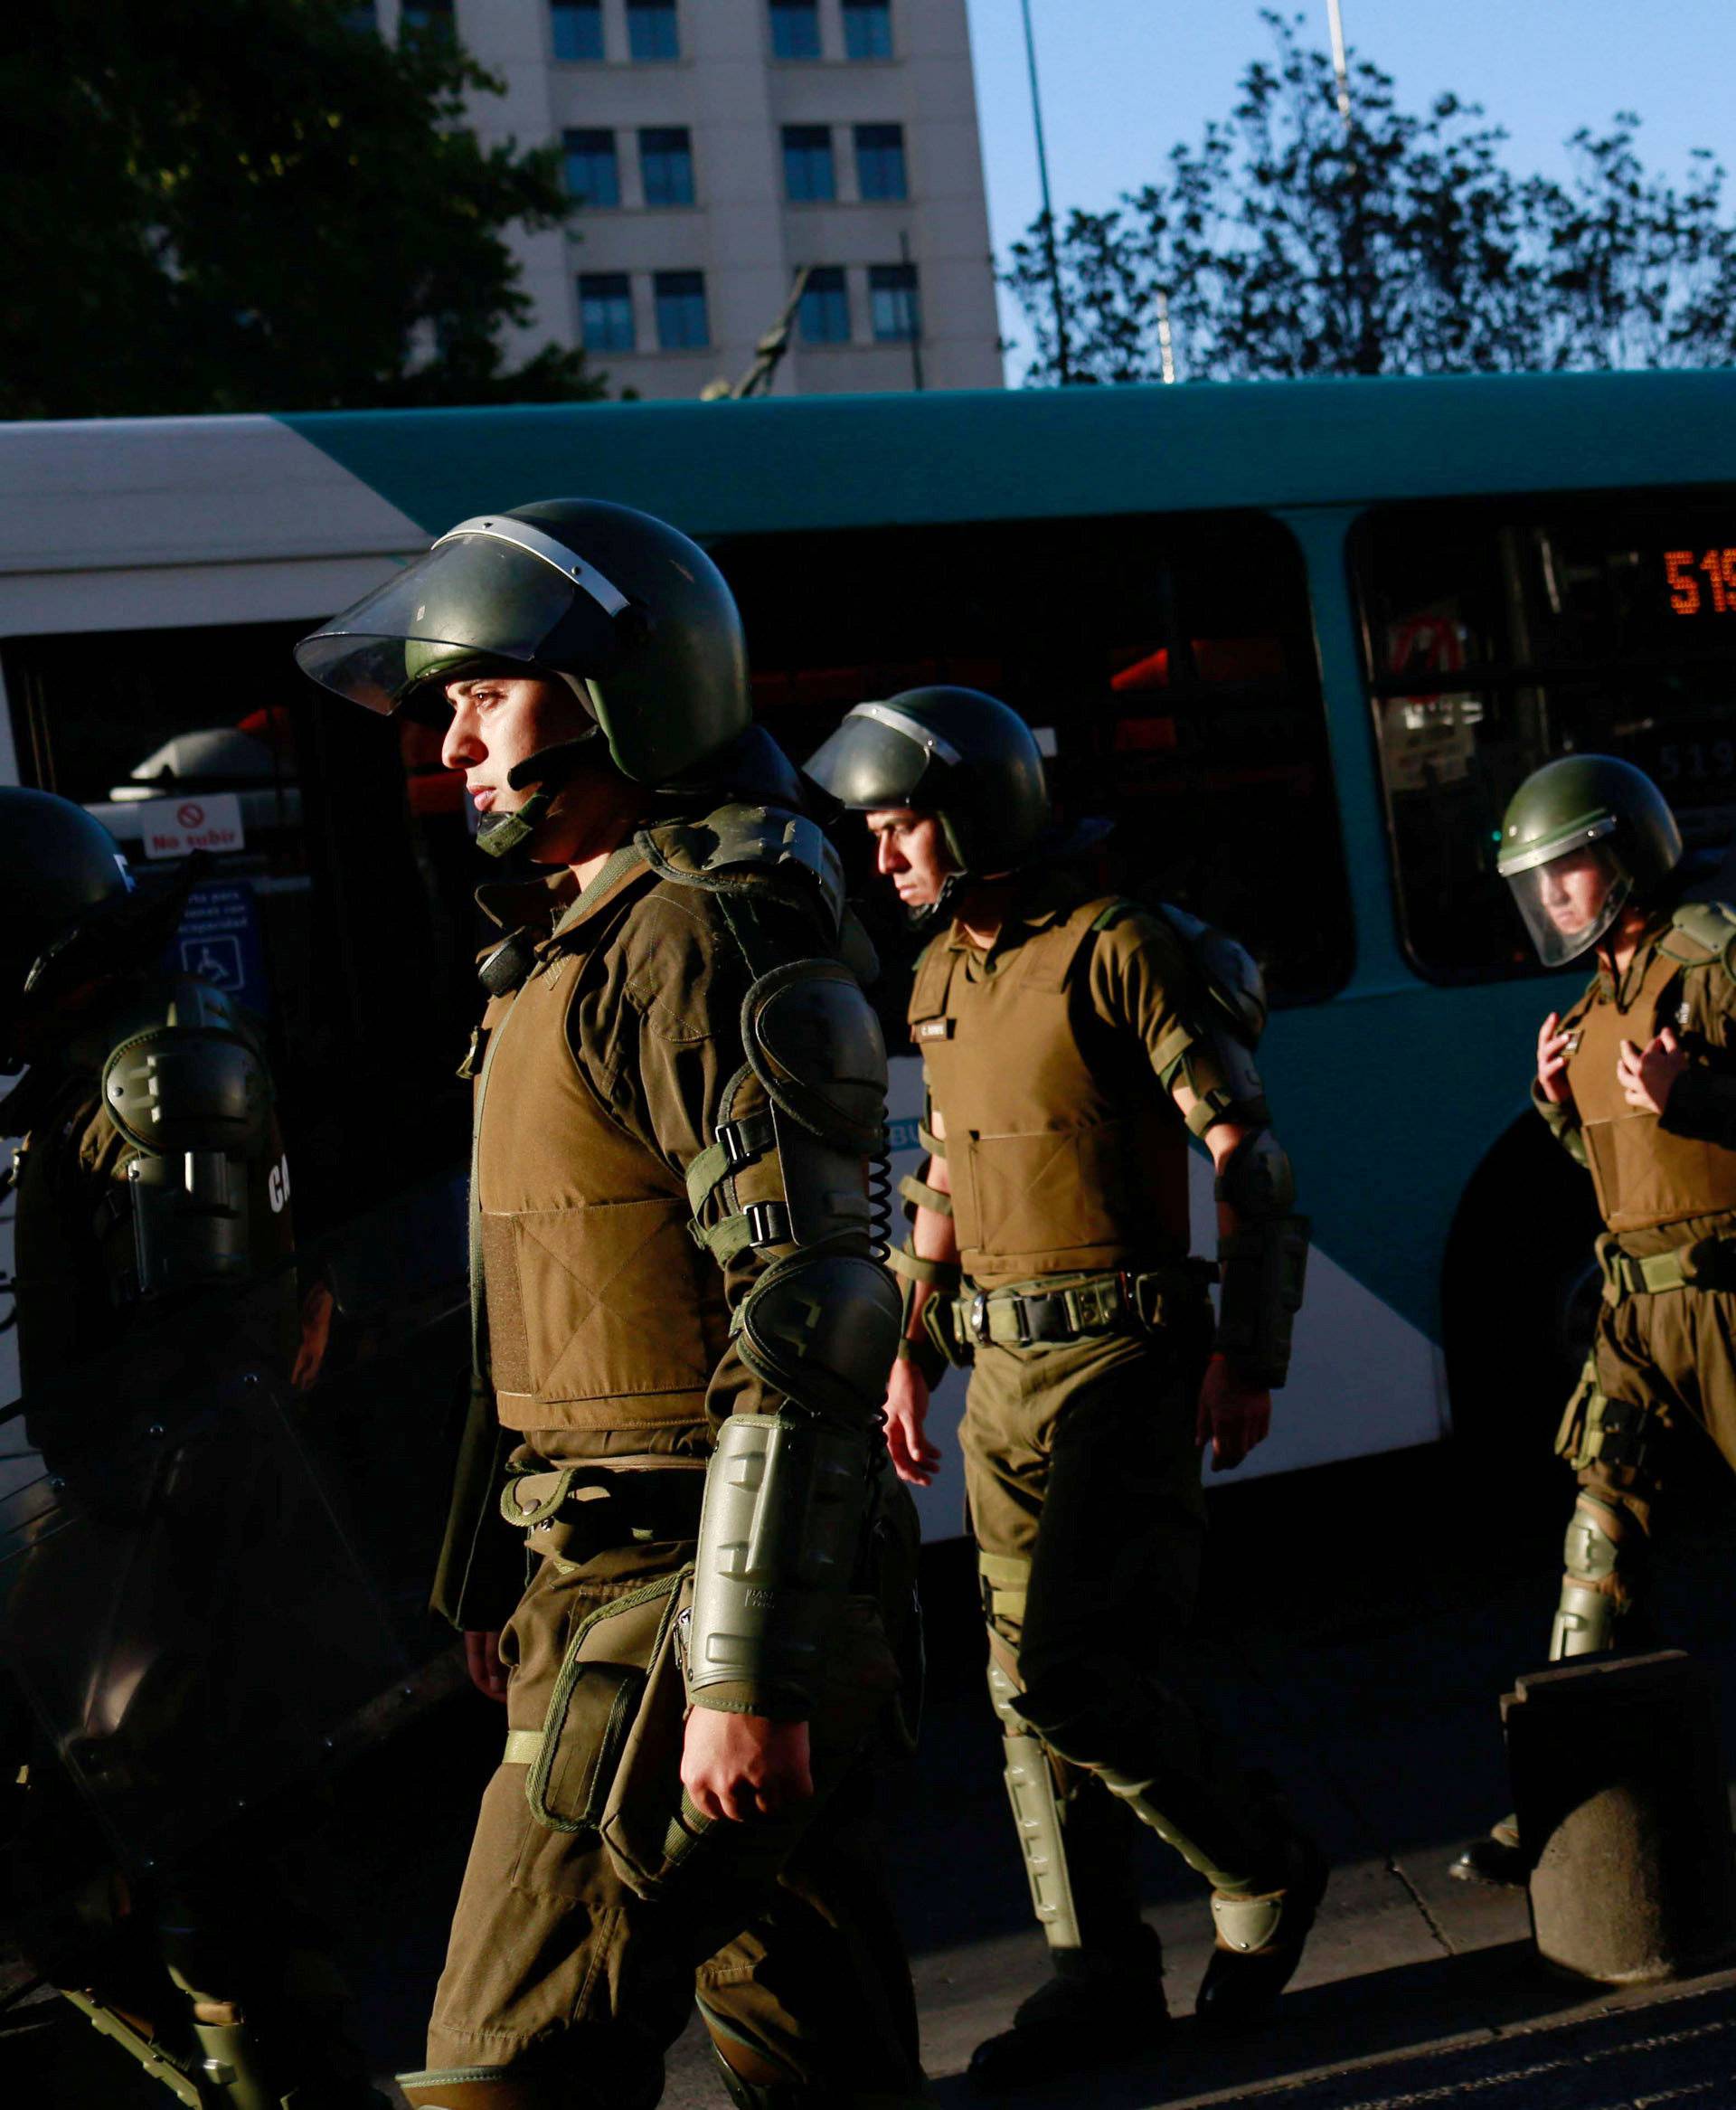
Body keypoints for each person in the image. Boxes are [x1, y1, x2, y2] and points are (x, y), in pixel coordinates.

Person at [295, 498, 926, 2110]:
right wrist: (504, 1569)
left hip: (677, 1594)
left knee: (501, 2066)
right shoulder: (577, 944)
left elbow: (810, 1312)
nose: (448, 745)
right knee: (818, 2053)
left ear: (613, 698)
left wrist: (742, 1667)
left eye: (481, 696)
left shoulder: (695, 937)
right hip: (617, 1572)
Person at [805, 688, 1324, 2090]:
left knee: (1071, 1672)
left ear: (972, 818)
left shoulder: (1119, 949)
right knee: (1015, 1683)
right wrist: (910, 1356)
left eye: (900, 826)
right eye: (873, 831)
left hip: (1125, 1368)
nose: (882, 856)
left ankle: (1261, 1861)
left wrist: (1247, 1354)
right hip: (1001, 1379)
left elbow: (1249, 1156)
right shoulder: (933, 979)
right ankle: (1094, 1971)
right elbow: (946, 1179)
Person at [0, 789, 374, 2107]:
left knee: (249, 1967)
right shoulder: (84, 1069)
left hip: (191, 1596)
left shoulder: (155, 1071)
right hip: (127, 1575)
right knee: (76, 1905)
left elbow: (201, 1394)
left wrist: (101, 1608)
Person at [1455, 752, 1736, 1886]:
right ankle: (1564, 1800)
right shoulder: (1590, 1003)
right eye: (1538, 882)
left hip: (1727, 1300)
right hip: (1632, 1314)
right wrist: (1556, 1106)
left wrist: (1699, 1094)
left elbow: (1693, 1125)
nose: (1554, 900)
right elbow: (1632, 1166)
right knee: (1596, 1555)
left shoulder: (1713, 957)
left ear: (1624, 856)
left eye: (1565, 872)